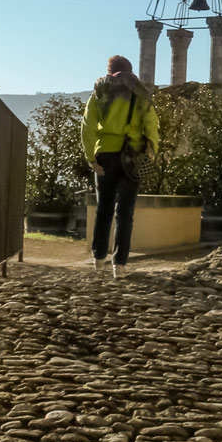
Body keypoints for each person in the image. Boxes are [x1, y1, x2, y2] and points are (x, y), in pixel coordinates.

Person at [81, 55, 159, 278]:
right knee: (125, 213)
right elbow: (151, 123)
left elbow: (87, 126)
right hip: (132, 157)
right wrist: (151, 153)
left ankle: (98, 259)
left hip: (105, 153)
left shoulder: (99, 93)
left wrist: (90, 157)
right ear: (130, 70)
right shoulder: (141, 94)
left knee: (104, 209)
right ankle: (120, 265)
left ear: (109, 71)